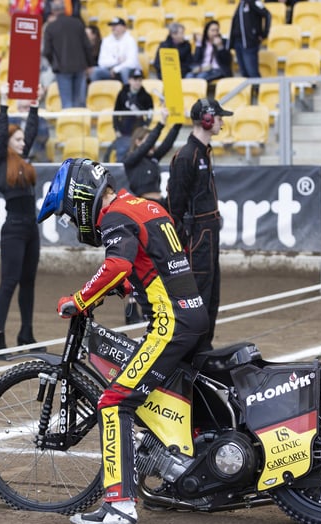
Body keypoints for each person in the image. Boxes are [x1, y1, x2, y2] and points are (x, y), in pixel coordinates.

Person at [37, 157, 208, 524]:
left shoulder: (114, 216)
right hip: (191, 313)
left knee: (114, 402)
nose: (71, 223)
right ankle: (180, 470)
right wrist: (129, 286)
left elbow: (117, 265)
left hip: (171, 323)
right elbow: (152, 262)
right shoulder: (143, 206)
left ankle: (120, 506)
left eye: (67, 214)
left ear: (80, 199)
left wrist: (78, 299)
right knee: (164, 394)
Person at [166, 98, 233, 355]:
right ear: (206, 119)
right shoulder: (186, 156)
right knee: (201, 297)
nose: (222, 122)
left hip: (207, 236)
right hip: (198, 238)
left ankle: (203, 350)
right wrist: (187, 240)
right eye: (219, 117)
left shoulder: (201, 152)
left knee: (212, 297)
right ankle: (194, 352)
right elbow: (174, 208)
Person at [0, 83, 44, 355]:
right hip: (13, 230)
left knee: (29, 282)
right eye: (18, 140)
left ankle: (26, 334)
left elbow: (31, 132)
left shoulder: (22, 161)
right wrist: (3, 104)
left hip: (31, 227)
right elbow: (1, 130)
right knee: (9, 282)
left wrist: (35, 105)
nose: (24, 143)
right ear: (7, 142)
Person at [121, 107, 181, 324]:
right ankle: (132, 309)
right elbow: (151, 143)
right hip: (142, 209)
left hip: (157, 206)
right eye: (146, 140)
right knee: (142, 260)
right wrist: (160, 124)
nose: (151, 144)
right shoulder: (131, 160)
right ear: (138, 142)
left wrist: (177, 122)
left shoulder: (152, 159)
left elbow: (165, 144)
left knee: (159, 256)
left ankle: (154, 303)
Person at [41, 0, 93, 109]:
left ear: (53, 11)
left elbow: (47, 51)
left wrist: (54, 63)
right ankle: (80, 125)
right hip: (80, 66)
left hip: (62, 69)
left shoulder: (51, 27)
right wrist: (90, 64)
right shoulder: (77, 23)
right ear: (65, 9)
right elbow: (87, 46)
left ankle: (70, 125)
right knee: (80, 103)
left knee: (67, 104)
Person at [109, 67, 152, 163]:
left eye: (140, 80)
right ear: (129, 80)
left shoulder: (146, 96)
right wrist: (116, 129)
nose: (137, 82)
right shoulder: (122, 94)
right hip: (124, 132)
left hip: (138, 134)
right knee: (121, 157)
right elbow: (116, 113)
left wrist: (145, 127)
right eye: (135, 79)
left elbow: (150, 114)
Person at [228, 0, 271, 79]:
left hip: (249, 43)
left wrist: (264, 33)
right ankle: (249, 91)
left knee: (252, 72)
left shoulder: (253, 1)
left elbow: (267, 14)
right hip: (238, 42)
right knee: (244, 73)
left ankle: (258, 90)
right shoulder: (241, 3)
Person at [91, 16, 139, 83]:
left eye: (116, 25)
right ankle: (97, 92)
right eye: (112, 26)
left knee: (125, 70)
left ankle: (126, 92)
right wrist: (117, 60)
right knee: (95, 71)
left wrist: (116, 69)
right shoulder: (106, 40)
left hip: (126, 70)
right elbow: (101, 62)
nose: (113, 28)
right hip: (109, 70)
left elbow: (132, 63)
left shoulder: (130, 40)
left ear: (124, 27)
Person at [9, 97, 50, 162]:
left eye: (30, 107)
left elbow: (44, 137)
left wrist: (32, 123)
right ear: (19, 109)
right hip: (17, 156)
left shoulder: (40, 120)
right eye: (25, 107)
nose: (28, 110)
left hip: (36, 155)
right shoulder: (12, 120)